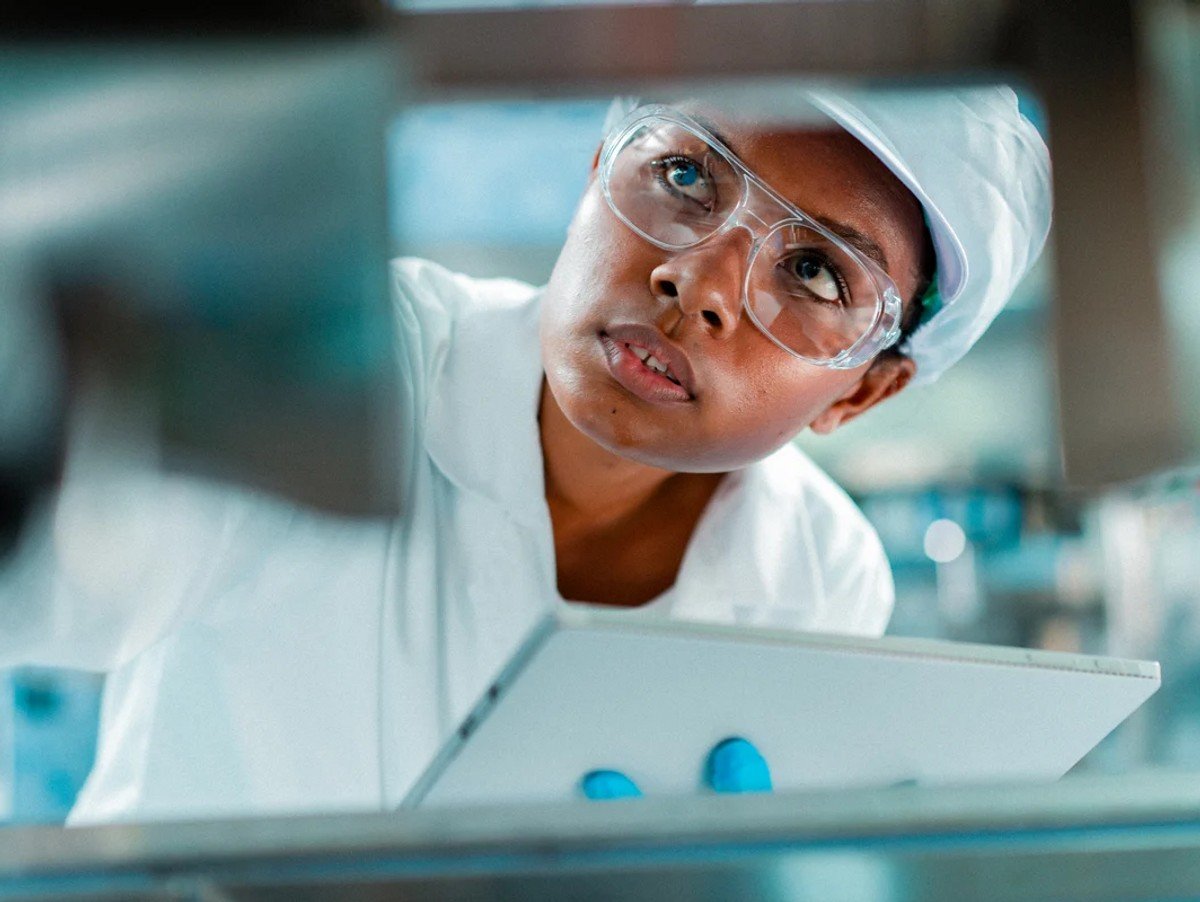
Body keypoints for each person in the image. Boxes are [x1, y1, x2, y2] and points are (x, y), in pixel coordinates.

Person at [0, 86, 1050, 824]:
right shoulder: (344, 372)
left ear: (864, 390)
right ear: (598, 167)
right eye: (684, 172)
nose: (702, 281)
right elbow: (68, 558)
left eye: (818, 273)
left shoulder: (822, 568)